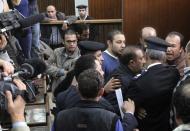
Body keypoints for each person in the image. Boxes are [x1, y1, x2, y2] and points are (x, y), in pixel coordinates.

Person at [125, 36, 180, 131]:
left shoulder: (138, 82)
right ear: (164, 56)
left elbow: (127, 105)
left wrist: (137, 108)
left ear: (146, 56)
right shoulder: (174, 73)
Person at [55, 69, 138, 131]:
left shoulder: (60, 117)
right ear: (102, 91)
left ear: (77, 89)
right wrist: (129, 113)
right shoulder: (111, 118)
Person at [105, 46, 146, 115]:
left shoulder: (125, 71)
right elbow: (113, 106)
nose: (144, 61)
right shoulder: (119, 80)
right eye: (141, 59)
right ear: (132, 63)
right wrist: (134, 110)